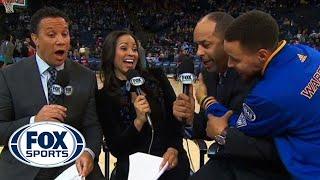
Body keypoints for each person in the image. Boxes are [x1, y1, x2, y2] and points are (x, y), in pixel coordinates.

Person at [199, 10, 320, 179]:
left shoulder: (268, 95)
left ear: (262, 55)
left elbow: (235, 127)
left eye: (235, 59)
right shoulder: (308, 52)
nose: (230, 64)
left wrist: (206, 101)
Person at [173, 12, 289, 179]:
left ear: (228, 43)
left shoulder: (258, 77)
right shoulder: (208, 75)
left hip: (262, 169)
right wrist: (191, 118)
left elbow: (266, 146)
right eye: (197, 45)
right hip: (228, 159)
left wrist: (208, 107)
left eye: (205, 44)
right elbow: (211, 126)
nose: (198, 52)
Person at [0, 7, 103, 180]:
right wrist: (33, 121)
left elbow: (92, 126)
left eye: (65, 34)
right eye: (51, 34)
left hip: (73, 166)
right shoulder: (9, 75)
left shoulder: (86, 76)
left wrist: (89, 152)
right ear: (35, 39)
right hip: (24, 166)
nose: (61, 41)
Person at [96, 30, 190, 180]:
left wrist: (174, 148)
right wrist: (138, 121)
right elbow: (116, 148)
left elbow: (175, 120)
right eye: (124, 48)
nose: (131, 53)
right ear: (110, 53)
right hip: (134, 167)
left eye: (134, 49)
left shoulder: (156, 77)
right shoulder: (104, 96)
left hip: (169, 160)